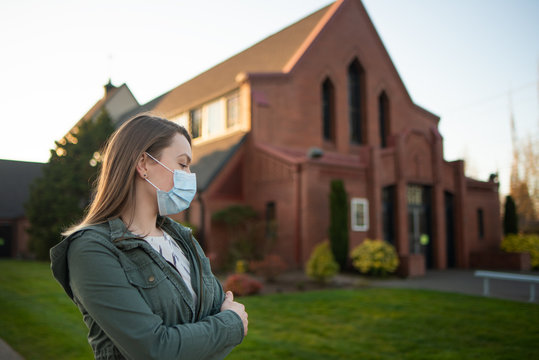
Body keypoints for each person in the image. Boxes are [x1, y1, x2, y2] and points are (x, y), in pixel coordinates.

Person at [50, 114, 248, 360]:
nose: (189, 175)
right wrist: (231, 324)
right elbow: (154, 350)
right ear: (143, 164)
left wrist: (203, 335)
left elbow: (214, 313)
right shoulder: (91, 249)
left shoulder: (182, 238)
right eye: (183, 164)